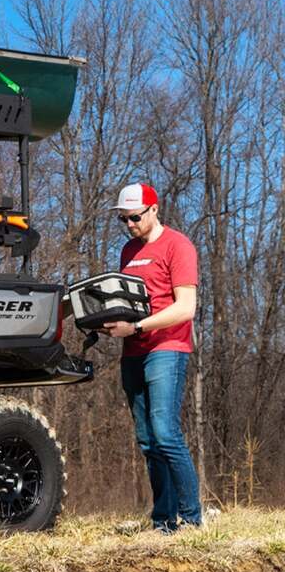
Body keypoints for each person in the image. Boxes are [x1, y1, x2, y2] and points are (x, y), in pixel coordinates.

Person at [102, 183, 202, 532]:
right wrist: (107, 321)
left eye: (134, 217)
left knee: (165, 433)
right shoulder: (128, 251)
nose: (129, 225)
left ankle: (191, 520)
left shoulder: (178, 245)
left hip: (167, 349)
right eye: (123, 220)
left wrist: (138, 327)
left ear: (154, 209)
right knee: (147, 441)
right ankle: (164, 522)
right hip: (133, 352)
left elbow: (186, 308)